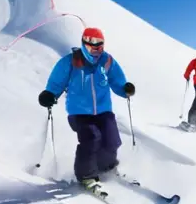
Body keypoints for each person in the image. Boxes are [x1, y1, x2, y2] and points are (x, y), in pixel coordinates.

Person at [37, 27, 135, 195]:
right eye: (92, 46)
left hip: (103, 110)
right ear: (84, 44)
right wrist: (49, 94)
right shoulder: (71, 61)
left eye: (99, 46)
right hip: (79, 112)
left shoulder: (107, 61)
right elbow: (56, 83)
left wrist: (124, 88)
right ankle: (86, 176)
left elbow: (116, 80)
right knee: (92, 138)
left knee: (112, 140)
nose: (96, 50)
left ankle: (106, 168)